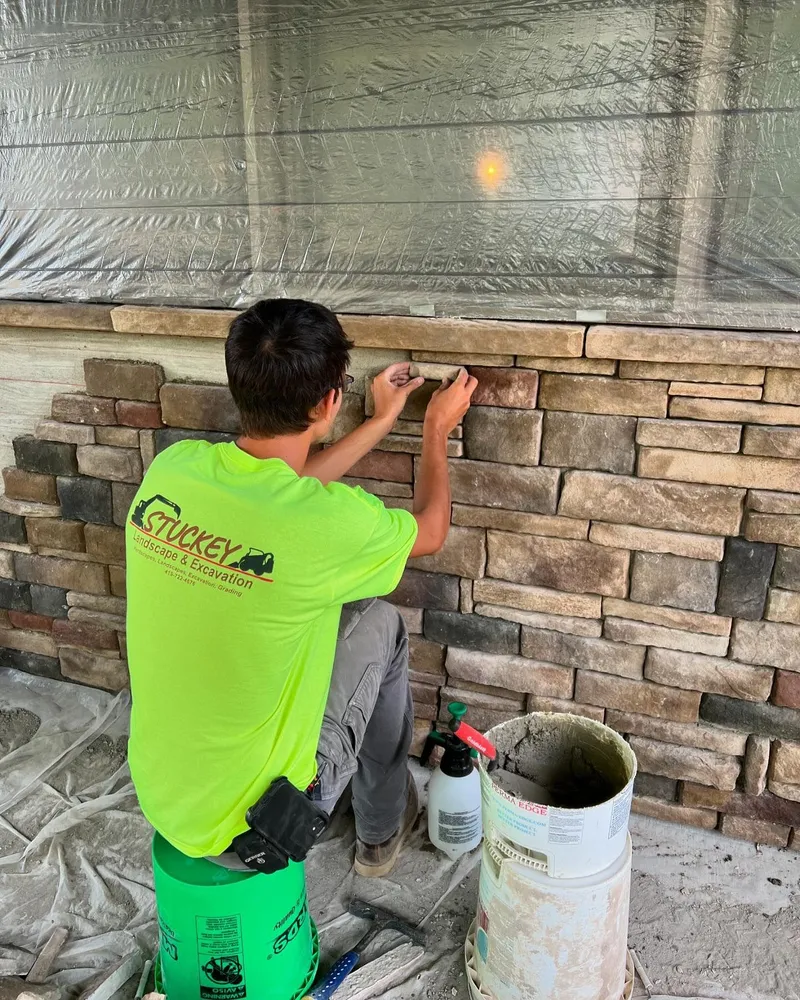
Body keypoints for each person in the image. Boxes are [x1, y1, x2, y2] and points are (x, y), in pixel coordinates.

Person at [126, 299, 477, 878]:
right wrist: (435, 429)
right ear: (328, 400)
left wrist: (380, 422)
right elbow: (432, 531)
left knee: (319, 608)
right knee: (381, 624)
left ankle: (372, 821)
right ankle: (380, 832)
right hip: (259, 830)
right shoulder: (327, 524)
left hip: (165, 798)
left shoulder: (174, 470)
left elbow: (280, 492)